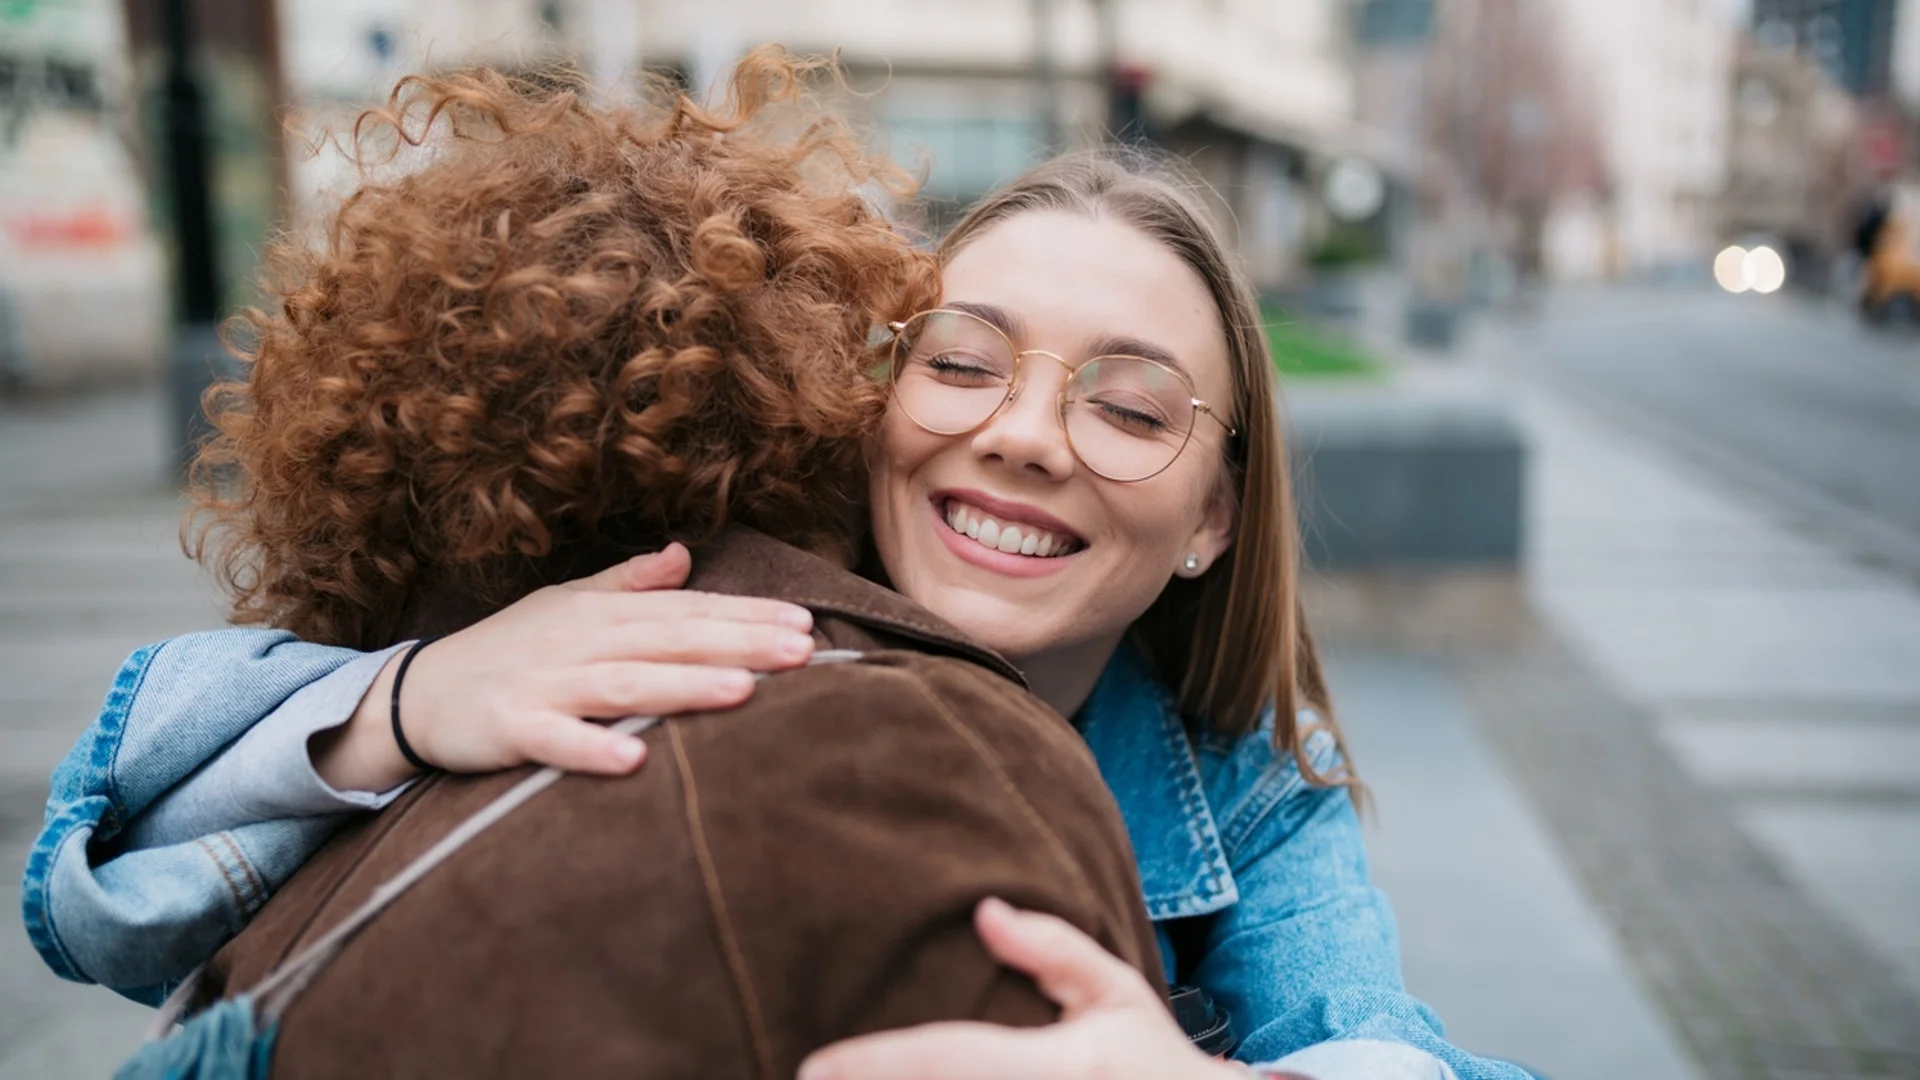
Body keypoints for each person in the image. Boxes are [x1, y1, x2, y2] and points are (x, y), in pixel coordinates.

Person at [26, 55, 1529, 1080]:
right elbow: (93, 900)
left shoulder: (1251, 795)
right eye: (963, 362)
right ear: (871, 403)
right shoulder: (669, 596)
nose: (1022, 435)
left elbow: (1379, 1037)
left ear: (1214, 515)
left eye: (1130, 407)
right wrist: (404, 701)